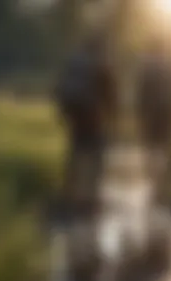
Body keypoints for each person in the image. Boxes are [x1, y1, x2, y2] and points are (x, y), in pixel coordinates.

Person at [54, 28, 118, 221]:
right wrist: (113, 116)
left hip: (73, 113)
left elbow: (60, 87)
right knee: (97, 154)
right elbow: (110, 93)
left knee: (76, 152)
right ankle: (91, 199)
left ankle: (70, 196)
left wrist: (63, 113)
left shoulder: (73, 61)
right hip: (91, 114)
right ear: (99, 46)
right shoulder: (99, 62)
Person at [135, 37, 171, 209]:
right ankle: (167, 189)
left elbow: (142, 91)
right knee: (167, 147)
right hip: (169, 112)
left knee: (151, 148)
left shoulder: (147, 66)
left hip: (152, 113)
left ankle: (154, 186)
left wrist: (140, 114)